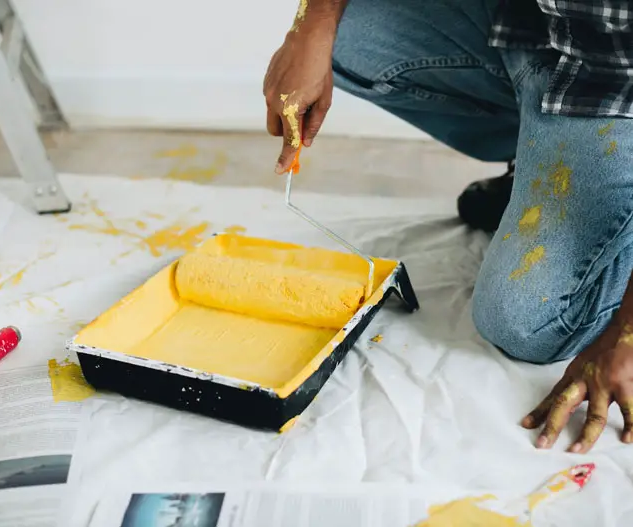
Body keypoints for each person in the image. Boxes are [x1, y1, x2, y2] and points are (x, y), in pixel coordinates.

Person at [262, 0, 633, 454]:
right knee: (351, 33)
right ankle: (540, 161)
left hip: (619, 85)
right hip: (536, 35)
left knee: (524, 324)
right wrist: (310, 28)